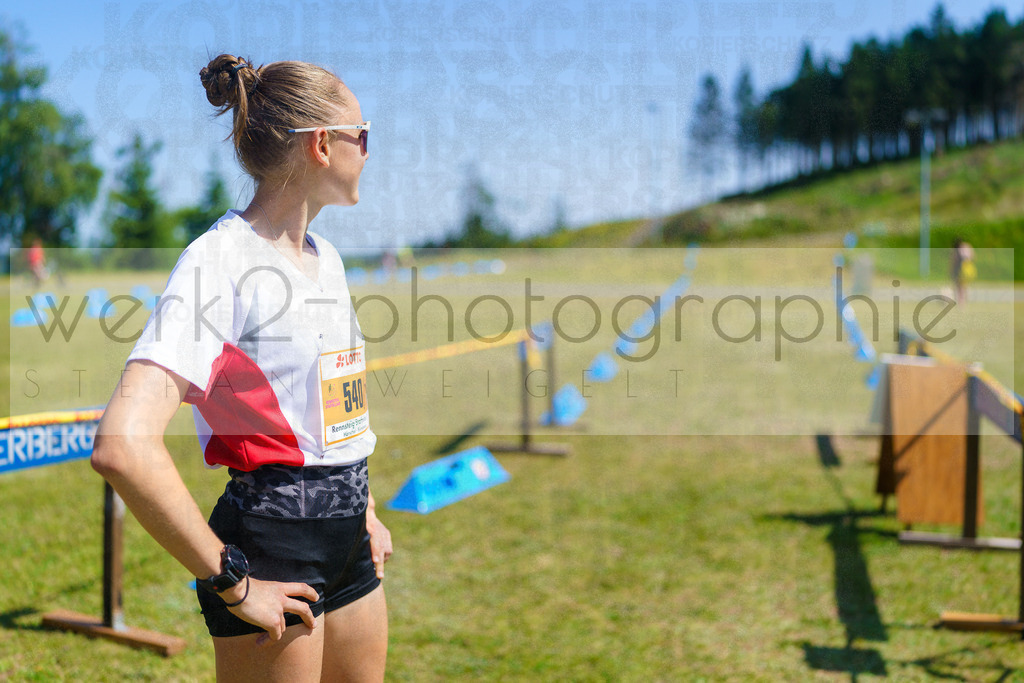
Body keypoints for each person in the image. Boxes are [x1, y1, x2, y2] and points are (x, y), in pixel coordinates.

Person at [91, 54, 391, 682]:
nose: (369, 149)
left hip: (350, 543)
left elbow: (328, 410)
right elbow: (123, 443)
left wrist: (363, 510)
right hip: (274, 548)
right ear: (319, 145)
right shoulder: (217, 261)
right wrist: (231, 580)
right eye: (362, 134)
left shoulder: (327, 259)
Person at [950, 237, 975, 305]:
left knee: (959, 286)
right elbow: (973, 256)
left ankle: (961, 301)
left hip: (961, 269)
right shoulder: (967, 246)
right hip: (968, 269)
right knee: (963, 285)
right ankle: (963, 300)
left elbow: (953, 260)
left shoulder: (958, 249)